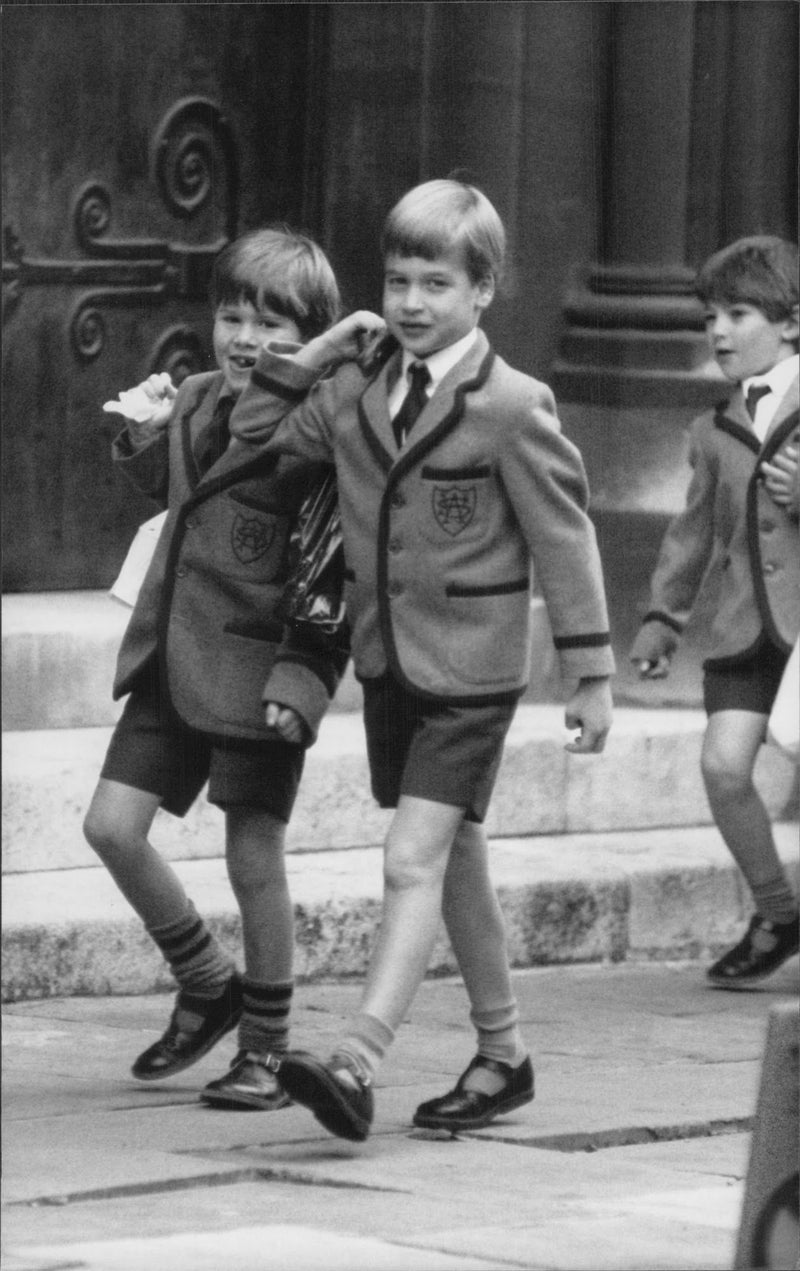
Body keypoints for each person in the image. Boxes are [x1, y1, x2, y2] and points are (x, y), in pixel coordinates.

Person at [230, 178, 615, 1141]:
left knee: (411, 856)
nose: (409, 302)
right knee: (454, 862)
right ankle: (504, 1053)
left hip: (475, 672)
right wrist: (317, 352)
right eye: (397, 280)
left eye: (435, 283)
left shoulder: (515, 405)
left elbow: (565, 540)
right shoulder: (355, 389)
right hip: (388, 664)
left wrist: (592, 671)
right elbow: (254, 436)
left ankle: (357, 1058)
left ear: (482, 289)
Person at [83, 227, 347, 1111]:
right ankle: (205, 978)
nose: (245, 339)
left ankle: (267, 1047)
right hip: (170, 656)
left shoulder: (320, 427)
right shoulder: (197, 395)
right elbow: (176, 495)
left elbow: (328, 567)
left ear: (313, 336)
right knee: (112, 826)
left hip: (259, 678)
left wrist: (303, 683)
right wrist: (141, 437)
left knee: (253, 853)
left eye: (272, 326)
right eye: (233, 315)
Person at [630, 235, 799, 989]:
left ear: (791, 323)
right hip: (742, 627)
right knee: (723, 766)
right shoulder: (711, 428)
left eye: (738, 313)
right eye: (710, 317)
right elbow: (692, 532)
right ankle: (778, 912)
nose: (719, 331)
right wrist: (663, 619)